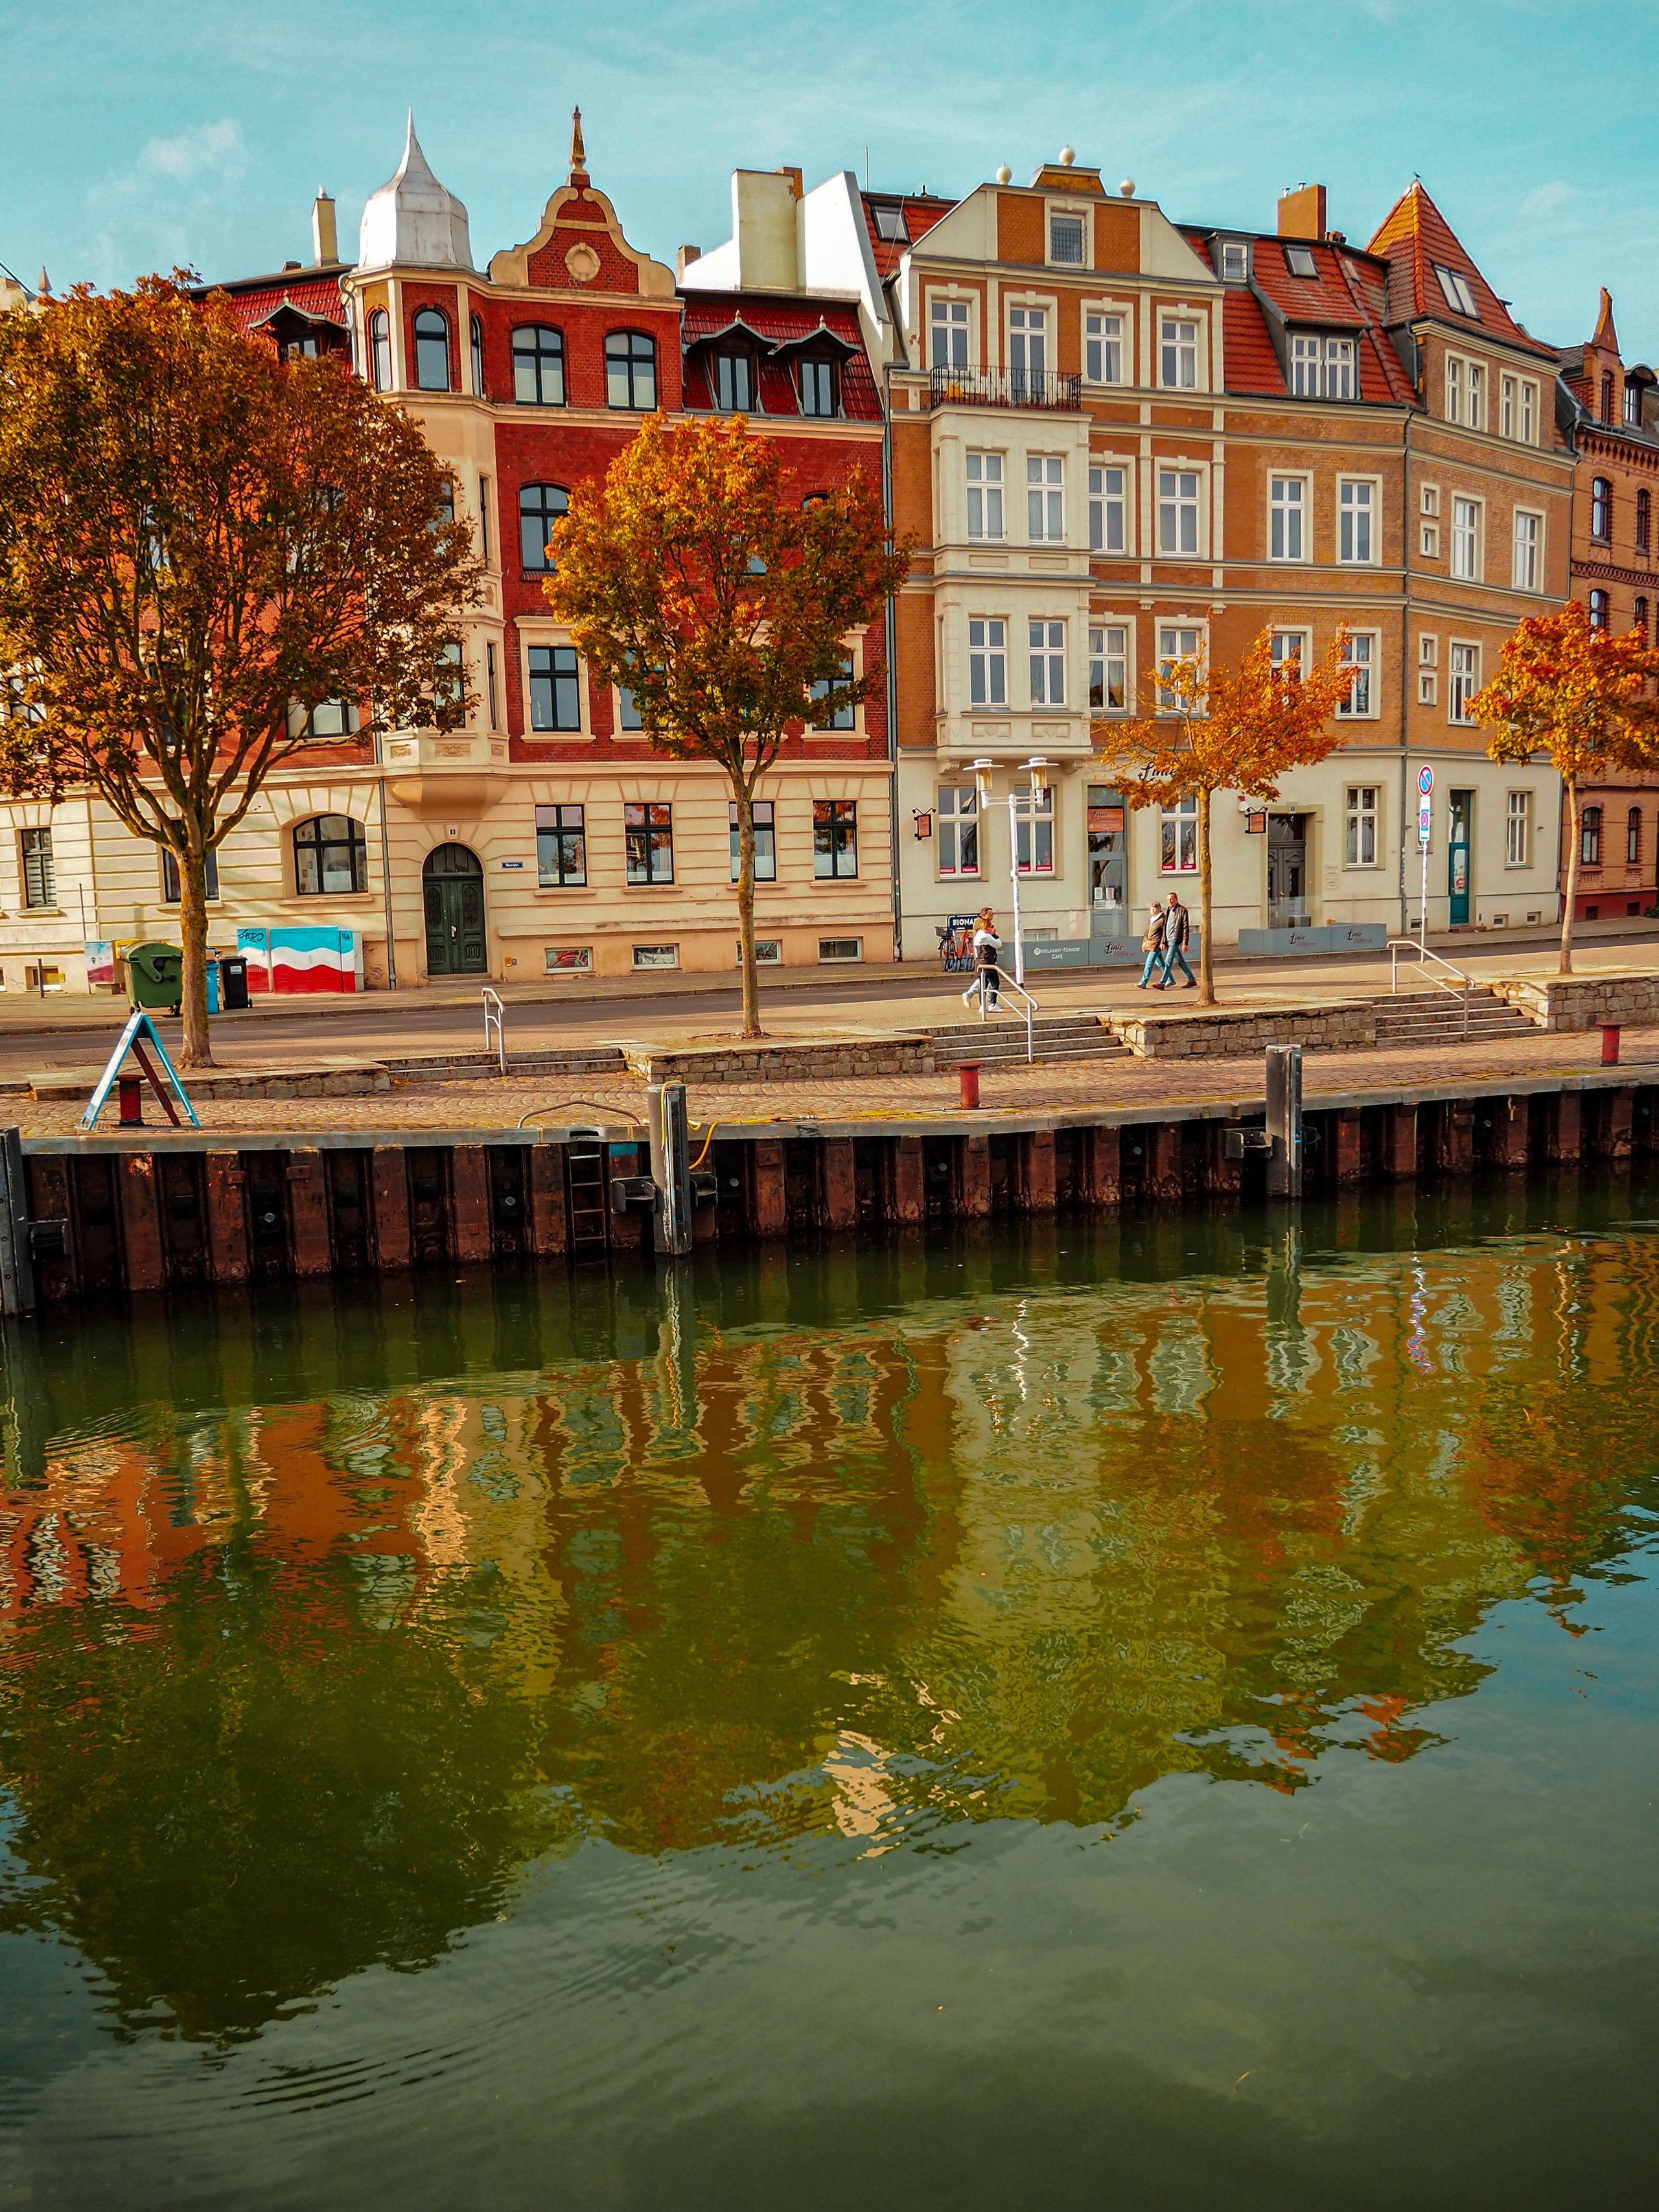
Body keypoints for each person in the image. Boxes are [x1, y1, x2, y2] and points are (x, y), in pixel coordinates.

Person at [1159, 889, 1197, 988]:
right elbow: (1166, 927)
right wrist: (1163, 941)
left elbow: (1185, 927)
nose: (1170, 901)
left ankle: (1162, 983)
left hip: (1175, 940)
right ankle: (1191, 979)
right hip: (1169, 940)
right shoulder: (1169, 910)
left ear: (1176, 899)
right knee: (1181, 962)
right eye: (1168, 900)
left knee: (1168, 961)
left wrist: (1185, 943)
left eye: (1171, 899)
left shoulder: (1182, 910)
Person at [965, 907, 1002, 1010]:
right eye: (990, 914)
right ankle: (992, 1004)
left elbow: (977, 951)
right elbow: (999, 944)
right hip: (988, 963)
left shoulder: (978, 936)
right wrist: (995, 935)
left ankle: (983, 1007)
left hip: (980, 963)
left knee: (983, 985)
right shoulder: (986, 936)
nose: (992, 917)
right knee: (995, 983)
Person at [1136, 901, 1166, 990]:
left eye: (1155, 909)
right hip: (1151, 943)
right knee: (1160, 963)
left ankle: (1144, 982)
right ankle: (1170, 979)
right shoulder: (1152, 919)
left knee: (1149, 963)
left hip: (1157, 944)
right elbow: (1147, 932)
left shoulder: (1162, 919)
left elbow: (1165, 933)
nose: (1153, 911)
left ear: (1159, 909)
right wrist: (1144, 944)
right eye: (1151, 909)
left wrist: (1163, 942)